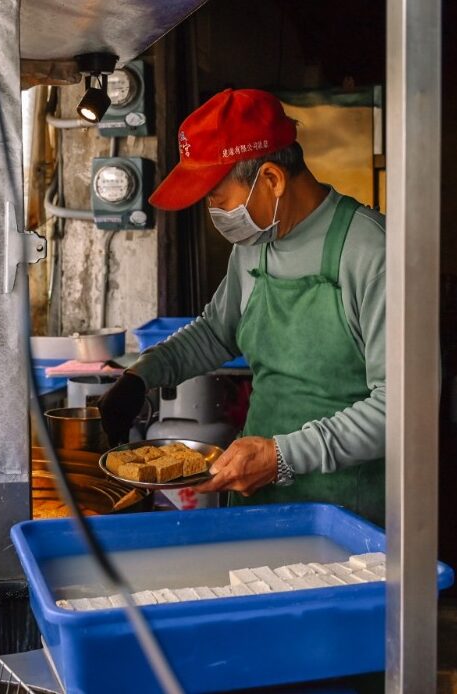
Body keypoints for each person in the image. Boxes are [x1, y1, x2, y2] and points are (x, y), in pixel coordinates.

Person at [98, 88, 386, 525]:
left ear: (271, 179)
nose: (213, 212)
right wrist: (142, 375)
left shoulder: (373, 251)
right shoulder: (256, 242)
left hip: (347, 514)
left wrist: (283, 455)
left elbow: (403, 407)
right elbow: (216, 331)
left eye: (217, 197)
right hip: (258, 499)